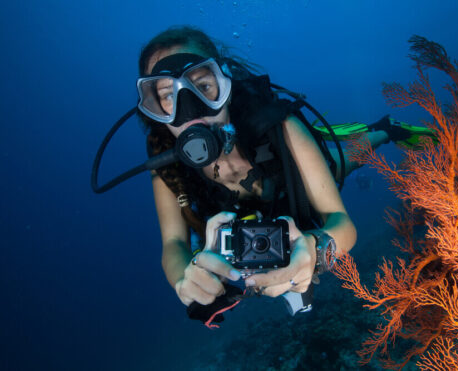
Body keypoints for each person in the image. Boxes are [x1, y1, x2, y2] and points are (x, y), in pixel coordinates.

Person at [92, 25, 436, 326]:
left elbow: (341, 224)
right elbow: (173, 244)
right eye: (167, 96)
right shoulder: (164, 159)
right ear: (154, 109)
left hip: (296, 185)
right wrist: (186, 279)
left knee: (345, 159)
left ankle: (384, 129)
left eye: (203, 85)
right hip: (247, 215)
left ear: (224, 83)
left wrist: (316, 251)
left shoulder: (278, 124)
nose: (190, 110)